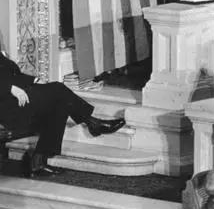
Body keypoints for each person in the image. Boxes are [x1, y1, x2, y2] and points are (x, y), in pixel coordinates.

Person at [0, 48, 125, 177]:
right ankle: (93, 123)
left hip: (15, 98)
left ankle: (38, 162)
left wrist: (34, 80)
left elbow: (11, 75)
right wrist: (10, 88)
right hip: (7, 106)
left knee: (60, 104)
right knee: (58, 89)